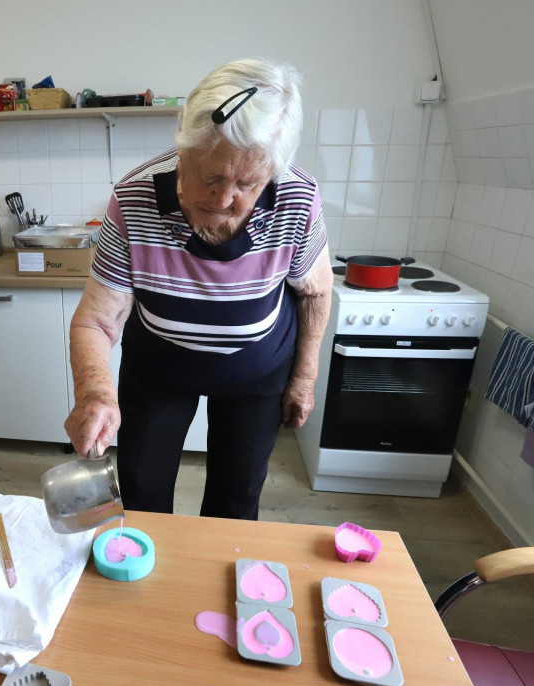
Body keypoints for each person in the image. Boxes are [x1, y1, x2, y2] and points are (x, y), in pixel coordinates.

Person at [64, 59, 333, 521]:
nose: (226, 199)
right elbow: (96, 319)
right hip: (159, 368)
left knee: (237, 498)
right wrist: (95, 393)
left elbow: (315, 292)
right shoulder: (134, 197)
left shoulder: (297, 197)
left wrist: (303, 380)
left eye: (248, 183)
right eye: (211, 178)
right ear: (183, 146)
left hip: (258, 371)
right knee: (142, 491)